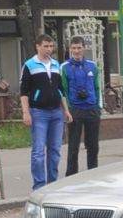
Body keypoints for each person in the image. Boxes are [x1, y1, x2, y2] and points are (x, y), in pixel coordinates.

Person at [20, 34, 68, 190]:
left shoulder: (55, 64)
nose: (49, 49)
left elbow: (60, 90)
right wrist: (26, 112)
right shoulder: (30, 65)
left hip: (56, 113)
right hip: (39, 112)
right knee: (39, 151)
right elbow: (24, 92)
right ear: (38, 46)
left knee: (55, 150)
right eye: (46, 46)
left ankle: (52, 183)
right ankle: (39, 185)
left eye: (51, 46)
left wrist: (66, 110)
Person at [62, 36, 102, 176]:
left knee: (93, 145)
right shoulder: (65, 67)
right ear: (70, 49)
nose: (76, 51)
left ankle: (93, 173)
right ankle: (71, 176)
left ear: (84, 48)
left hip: (91, 109)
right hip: (75, 110)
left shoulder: (92, 66)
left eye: (79, 48)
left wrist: (98, 107)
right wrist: (68, 109)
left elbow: (97, 87)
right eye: (73, 48)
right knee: (73, 146)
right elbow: (64, 90)